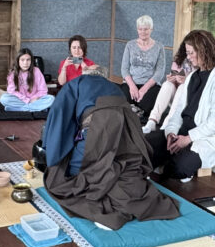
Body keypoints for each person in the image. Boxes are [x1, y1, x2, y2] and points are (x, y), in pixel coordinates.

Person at [43, 73, 179, 228]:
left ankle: (106, 192)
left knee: (67, 176)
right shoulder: (109, 84)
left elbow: (59, 122)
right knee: (124, 165)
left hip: (100, 121)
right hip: (129, 123)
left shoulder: (72, 85)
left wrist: (52, 157)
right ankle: (122, 185)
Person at [144, 30, 215, 183]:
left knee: (179, 168)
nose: (188, 57)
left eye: (191, 53)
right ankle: (166, 156)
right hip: (182, 131)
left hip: (206, 138)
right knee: (144, 146)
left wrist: (188, 138)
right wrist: (171, 133)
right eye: (187, 53)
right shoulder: (193, 76)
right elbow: (178, 111)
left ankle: (171, 162)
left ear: (204, 51)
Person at [142, 42, 194, 135]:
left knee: (182, 87)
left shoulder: (199, 63)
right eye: (187, 51)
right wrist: (172, 78)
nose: (189, 55)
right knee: (167, 84)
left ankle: (167, 124)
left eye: (191, 51)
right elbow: (175, 74)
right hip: (176, 95)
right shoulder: (179, 60)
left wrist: (186, 81)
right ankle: (152, 121)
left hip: (189, 100)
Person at [120, 15, 167, 118]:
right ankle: (133, 113)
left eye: (146, 29)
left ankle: (138, 116)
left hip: (150, 85)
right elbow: (124, 69)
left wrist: (144, 89)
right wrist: (132, 86)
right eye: (140, 29)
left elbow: (160, 72)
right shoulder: (130, 45)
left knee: (146, 105)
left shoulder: (159, 47)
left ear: (151, 29)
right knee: (123, 103)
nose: (143, 32)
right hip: (131, 83)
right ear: (137, 29)